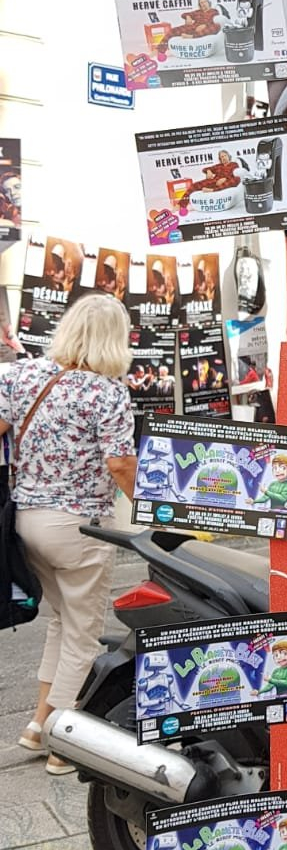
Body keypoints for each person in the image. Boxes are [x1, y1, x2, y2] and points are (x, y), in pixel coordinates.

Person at [0, 294, 137, 773]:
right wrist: (154, 509)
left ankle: (38, 725)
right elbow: (120, 464)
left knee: (61, 622)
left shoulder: (20, 375)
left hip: (25, 520)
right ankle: (64, 745)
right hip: (79, 527)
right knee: (83, 634)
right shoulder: (108, 392)